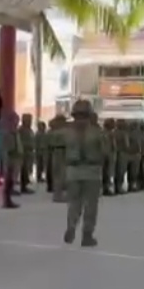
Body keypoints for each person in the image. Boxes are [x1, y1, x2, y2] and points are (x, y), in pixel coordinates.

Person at [61, 100, 103, 247]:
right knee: (91, 205)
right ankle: (87, 235)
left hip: (73, 170)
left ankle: (71, 226)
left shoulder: (66, 132)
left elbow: (60, 152)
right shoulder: (96, 132)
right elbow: (105, 151)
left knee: (74, 203)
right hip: (92, 171)